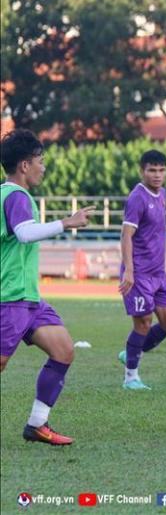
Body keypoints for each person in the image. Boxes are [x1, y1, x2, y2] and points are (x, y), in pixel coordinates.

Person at [0, 129, 94, 445]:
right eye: (40, 160)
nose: (44, 166)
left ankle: (37, 425)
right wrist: (67, 222)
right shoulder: (15, 195)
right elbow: (25, 234)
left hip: (29, 299)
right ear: (24, 165)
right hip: (9, 299)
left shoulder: (11, 194)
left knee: (63, 350)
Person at [117, 150, 166, 390]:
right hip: (139, 273)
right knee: (143, 323)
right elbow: (126, 235)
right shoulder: (137, 198)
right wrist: (129, 270)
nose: (157, 175)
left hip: (158, 274)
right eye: (152, 170)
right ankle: (130, 377)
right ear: (142, 171)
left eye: (161, 170)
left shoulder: (162, 194)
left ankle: (131, 351)